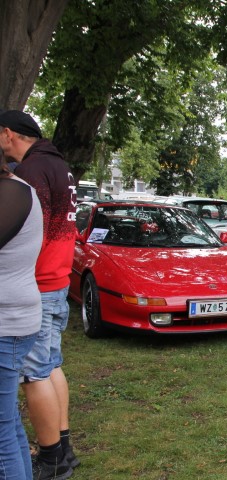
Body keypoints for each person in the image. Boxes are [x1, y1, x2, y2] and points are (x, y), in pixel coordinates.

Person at [0, 110, 77, 479]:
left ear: (7, 134)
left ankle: (51, 459)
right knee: (51, 365)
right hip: (59, 278)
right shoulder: (59, 165)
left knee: (35, 375)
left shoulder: (29, 173)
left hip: (40, 281)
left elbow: (30, 232)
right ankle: (63, 447)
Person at [0, 151, 43, 480]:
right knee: (8, 424)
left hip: (8, 321)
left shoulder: (14, 191)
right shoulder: (16, 189)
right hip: (15, 316)